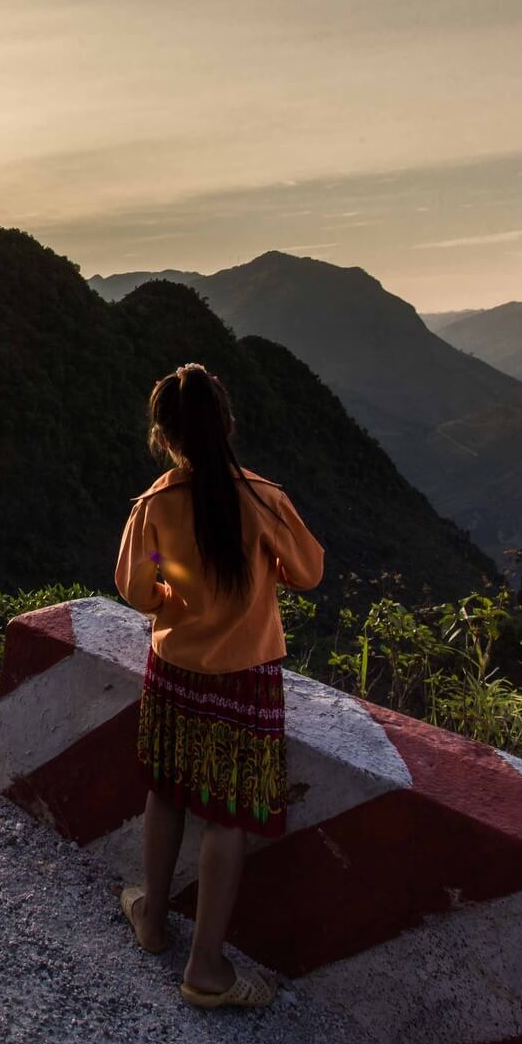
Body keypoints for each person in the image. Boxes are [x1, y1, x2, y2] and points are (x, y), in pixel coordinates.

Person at [112, 363, 323, 1011]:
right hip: (243, 677)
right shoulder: (263, 499)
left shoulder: (154, 505)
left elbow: (138, 585)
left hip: (176, 668)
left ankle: (152, 921)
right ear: (227, 424)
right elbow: (307, 570)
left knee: (168, 791)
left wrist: (172, 585)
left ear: (164, 435)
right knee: (227, 816)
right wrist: (264, 572)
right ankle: (206, 965)